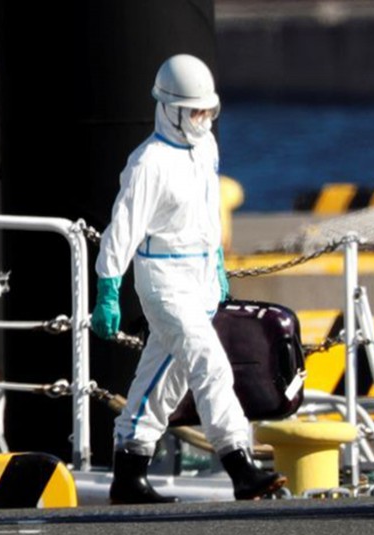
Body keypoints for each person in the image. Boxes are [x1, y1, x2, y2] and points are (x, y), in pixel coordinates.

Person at [92, 54, 286, 504]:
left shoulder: (205, 150)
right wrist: (108, 288)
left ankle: (129, 469)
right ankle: (240, 464)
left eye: (207, 111)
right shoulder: (148, 163)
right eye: (194, 111)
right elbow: (122, 228)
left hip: (198, 279)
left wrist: (217, 264)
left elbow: (206, 214)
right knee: (209, 363)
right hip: (164, 281)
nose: (202, 119)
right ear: (170, 108)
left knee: (164, 378)